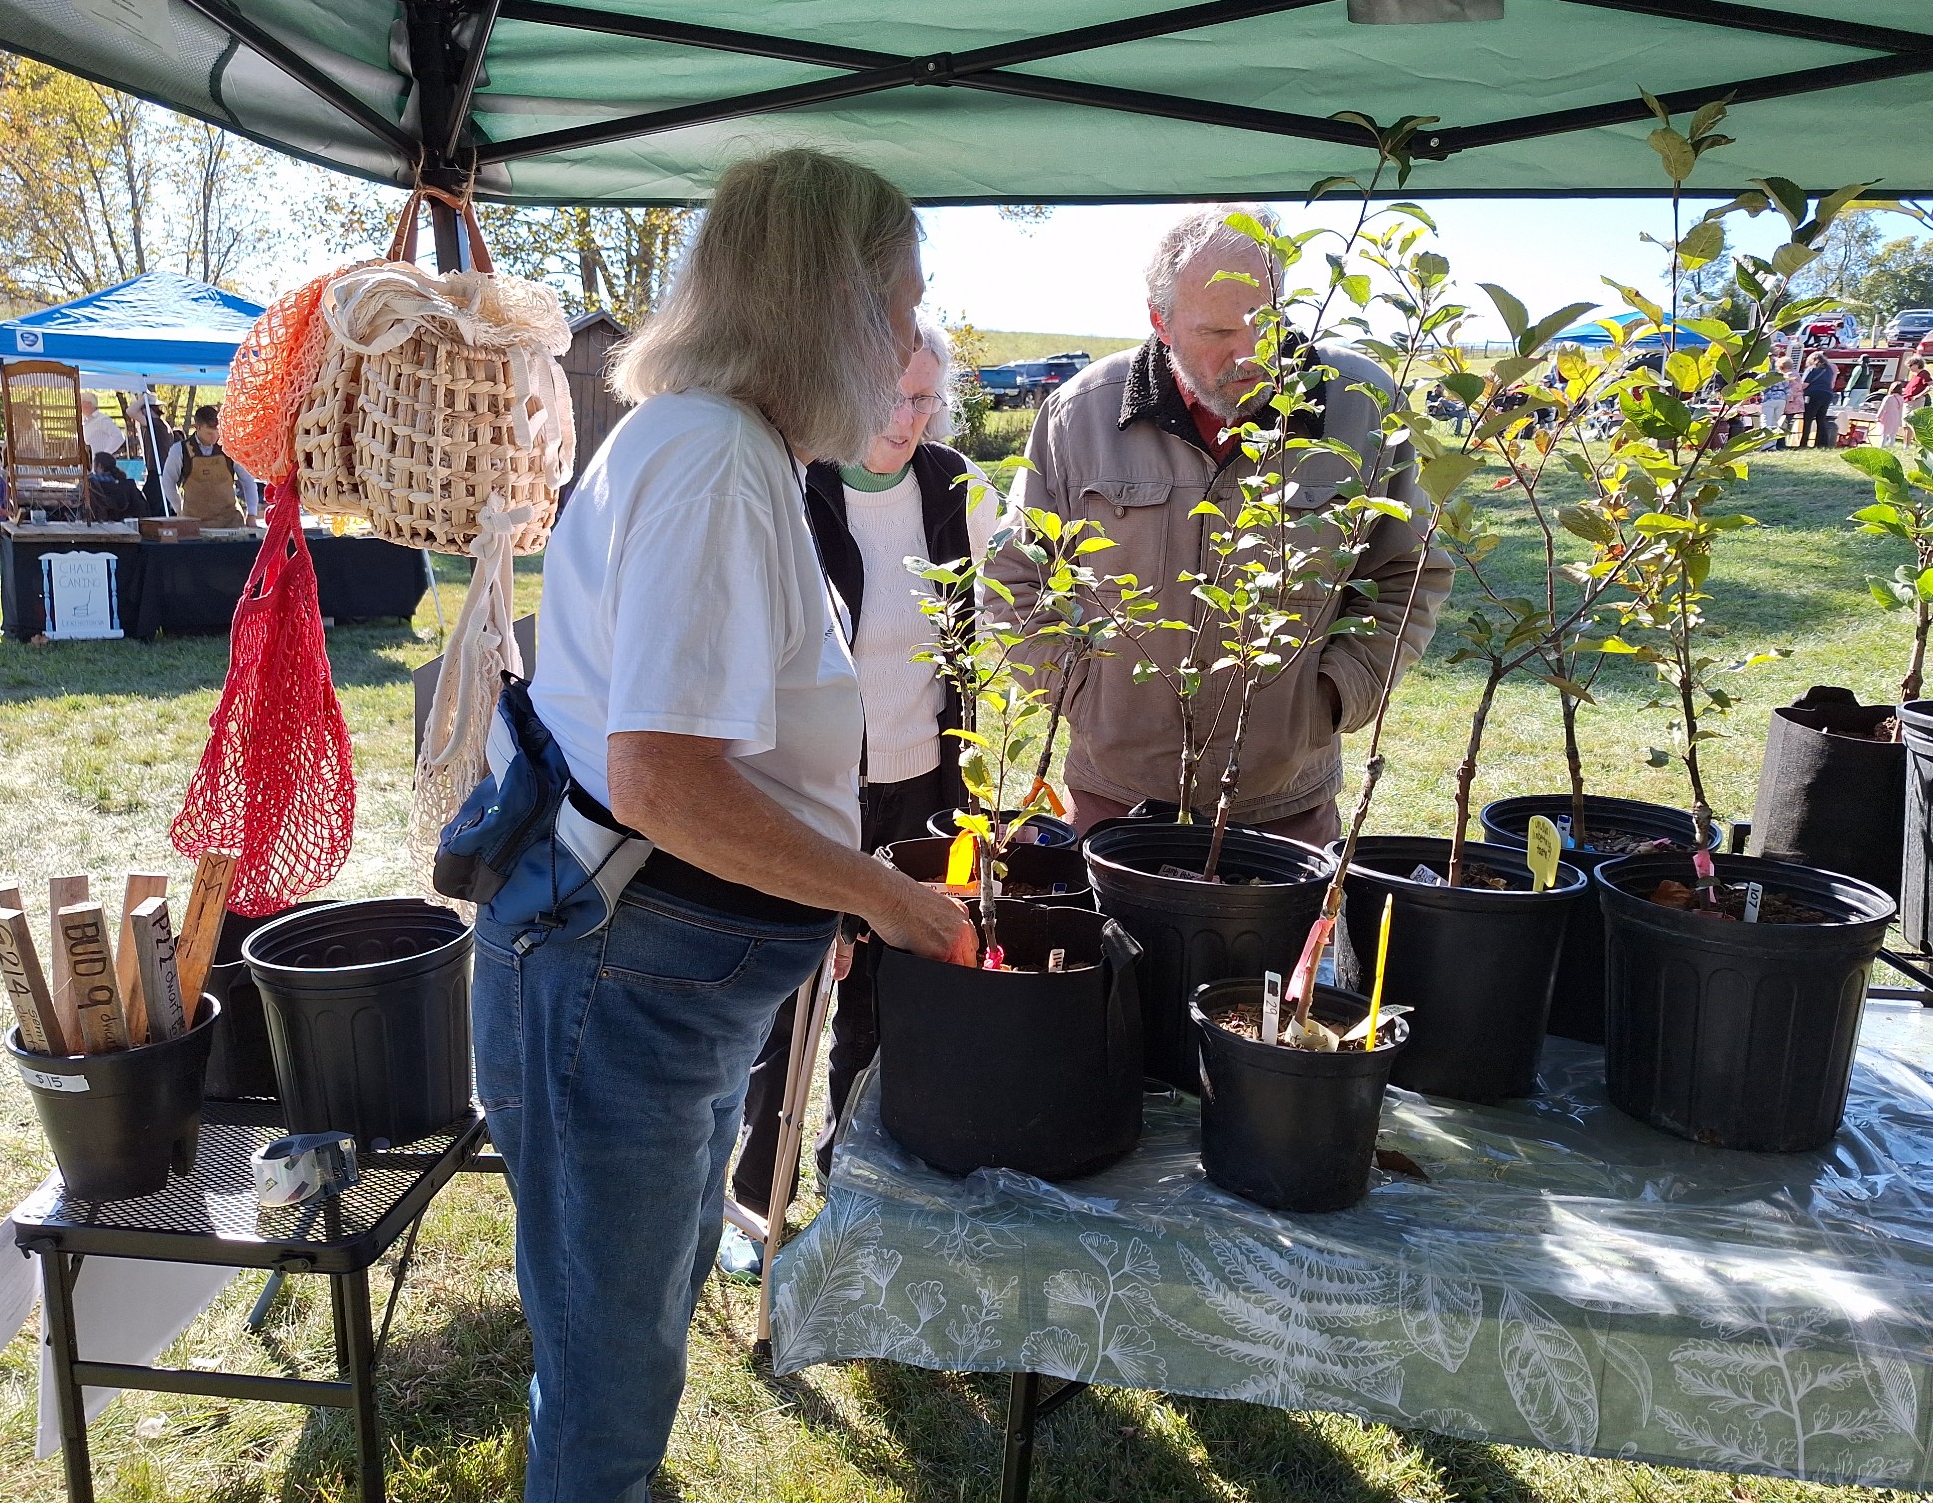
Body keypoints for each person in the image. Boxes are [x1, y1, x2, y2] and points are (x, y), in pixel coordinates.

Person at [470, 147, 975, 1503]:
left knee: (635, 1307)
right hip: (615, 975)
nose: (914, 340)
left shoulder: (732, 447)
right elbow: (667, 785)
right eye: (900, 301)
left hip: (655, 980)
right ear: (824, 301)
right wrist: (873, 892)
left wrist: (819, 891)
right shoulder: (704, 455)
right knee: (611, 1361)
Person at [991, 204, 1451, 843]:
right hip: (1117, 795)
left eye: (1265, 324)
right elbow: (1016, 575)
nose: (1249, 355)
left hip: (1286, 799)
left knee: (1284, 947)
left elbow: (1408, 571)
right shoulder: (1080, 415)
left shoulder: (1360, 405)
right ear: (1161, 322)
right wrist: (1080, 693)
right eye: (1215, 333)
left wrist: (1340, 692)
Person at [723, 313, 999, 1268]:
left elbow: (987, 636)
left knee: (890, 1005)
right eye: (889, 395)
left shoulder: (961, 490)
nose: (908, 416)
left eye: (925, 397)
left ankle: (857, 1189)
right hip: (818, 789)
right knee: (796, 993)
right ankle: (758, 1202)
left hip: (928, 789)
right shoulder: (800, 486)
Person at [164, 405, 258, 527]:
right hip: (195, 523)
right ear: (197, 427)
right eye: (209, 433)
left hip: (230, 521)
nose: (214, 437)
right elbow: (168, 481)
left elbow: (248, 480)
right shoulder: (179, 451)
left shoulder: (230, 448)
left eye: (217, 432)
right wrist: (179, 508)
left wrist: (252, 514)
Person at [128, 391, 177, 514]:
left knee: (149, 507)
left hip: (158, 472)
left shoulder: (155, 424)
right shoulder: (161, 424)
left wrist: (143, 399)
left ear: (146, 409)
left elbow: (130, 411)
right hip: (159, 471)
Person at [87, 450, 148, 520]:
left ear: (99, 465)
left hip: (103, 520)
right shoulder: (124, 483)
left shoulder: (93, 482)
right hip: (127, 519)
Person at [1799, 350, 1838, 449]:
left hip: (1813, 394)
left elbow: (1804, 384)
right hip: (1827, 394)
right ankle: (1822, 443)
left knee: (1808, 419)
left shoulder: (1812, 369)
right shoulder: (1829, 369)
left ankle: (1804, 443)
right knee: (1821, 419)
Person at [1759, 351, 1791, 449]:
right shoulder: (1781, 376)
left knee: (1766, 422)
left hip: (1769, 399)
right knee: (1775, 423)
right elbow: (1788, 391)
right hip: (1781, 399)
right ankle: (1773, 445)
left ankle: (1765, 445)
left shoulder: (1764, 375)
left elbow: (1755, 386)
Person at [79, 392, 126, 459]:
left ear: (88, 404)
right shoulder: (85, 421)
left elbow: (119, 436)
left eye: (80, 403)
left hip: (101, 465)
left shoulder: (102, 420)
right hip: (90, 464)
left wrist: (105, 454)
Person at [1876, 382, 1909, 448]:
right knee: (1893, 433)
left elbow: (1882, 408)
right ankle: (1891, 447)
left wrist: (1878, 417)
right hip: (1896, 416)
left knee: (1884, 433)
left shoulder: (1888, 397)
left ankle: (1881, 447)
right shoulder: (1901, 398)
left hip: (1887, 415)